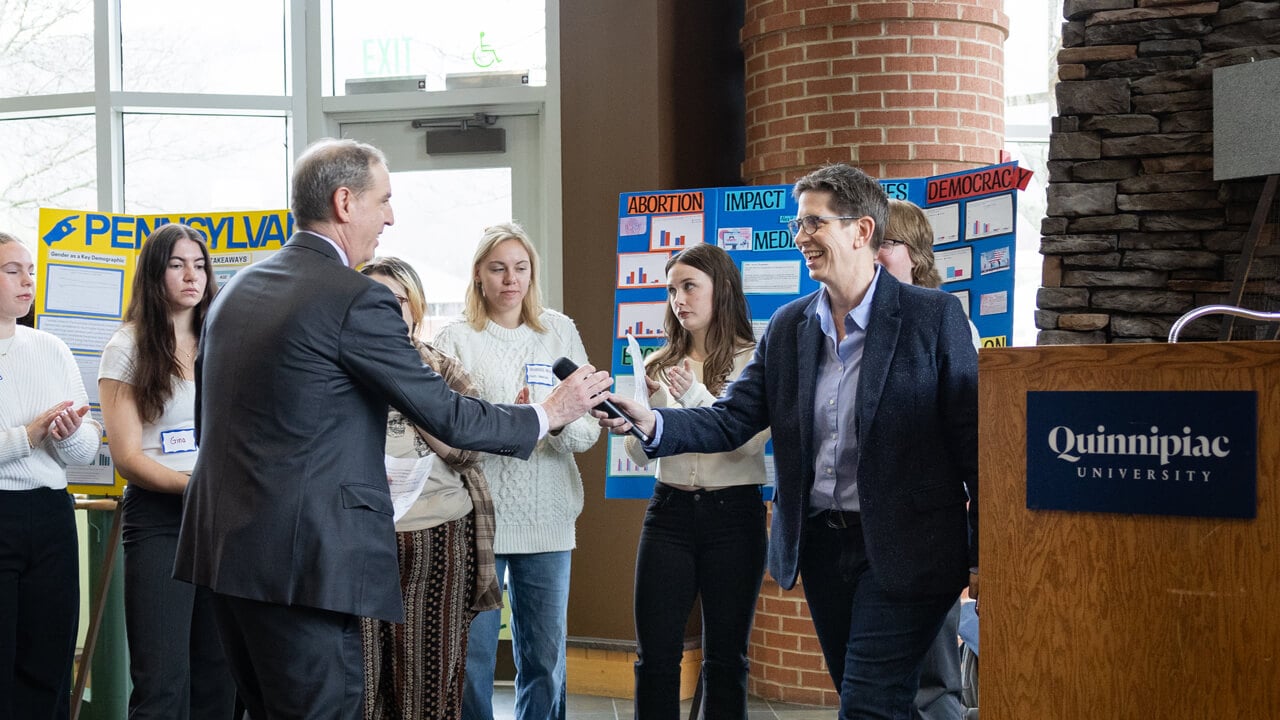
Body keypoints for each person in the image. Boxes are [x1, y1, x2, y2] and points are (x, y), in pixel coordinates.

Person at [173, 138, 611, 720]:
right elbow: (446, 413)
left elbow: (211, 425)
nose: (391, 217)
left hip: (225, 556)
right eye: (384, 200)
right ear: (345, 201)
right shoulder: (354, 300)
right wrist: (547, 413)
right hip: (307, 567)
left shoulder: (235, 291)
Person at [596, 164, 979, 720]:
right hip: (824, 550)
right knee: (868, 695)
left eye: (812, 224)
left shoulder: (934, 317)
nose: (800, 237)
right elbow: (731, 421)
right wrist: (652, 424)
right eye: (797, 225)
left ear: (861, 231)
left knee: (868, 704)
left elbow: (972, 441)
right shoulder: (789, 326)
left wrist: (981, 548)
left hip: (904, 548)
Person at [433, 222, 601, 720]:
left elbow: (588, 432)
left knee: (545, 662)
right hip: (478, 524)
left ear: (533, 274)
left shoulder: (559, 331)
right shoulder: (455, 338)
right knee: (472, 663)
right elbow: (446, 436)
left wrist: (549, 421)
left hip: (548, 521)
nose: (511, 279)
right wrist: (517, 420)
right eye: (498, 268)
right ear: (479, 276)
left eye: (521, 268)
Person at [622, 243, 770, 719]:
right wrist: (639, 417)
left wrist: (697, 398)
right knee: (656, 658)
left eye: (689, 286)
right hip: (670, 514)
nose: (678, 299)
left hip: (735, 517)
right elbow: (637, 454)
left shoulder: (755, 360)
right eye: (671, 290)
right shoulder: (656, 363)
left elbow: (745, 445)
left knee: (726, 661)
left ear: (721, 289)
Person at [97, 223, 235, 719]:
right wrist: (199, 488)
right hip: (161, 518)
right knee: (162, 681)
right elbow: (129, 457)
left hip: (222, 520)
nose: (190, 275)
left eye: (198, 265)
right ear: (155, 274)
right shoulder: (127, 346)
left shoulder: (224, 339)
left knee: (220, 675)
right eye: (177, 265)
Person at [357, 256, 502, 720]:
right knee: (361, 683)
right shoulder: (337, 369)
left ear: (414, 310)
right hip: (359, 541)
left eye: (396, 300)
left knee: (428, 683)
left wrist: (414, 397)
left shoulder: (441, 369)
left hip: (437, 539)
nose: (386, 309)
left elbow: (469, 448)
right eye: (372, 300)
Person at [880, 199, 982, 720]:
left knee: (934, 685)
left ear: (915, 255)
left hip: (927, 538)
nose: (874, 256)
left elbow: (971, 442)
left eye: (886, 244)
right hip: (870, 543)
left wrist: (978, 548)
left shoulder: (945, 319)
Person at [0, 232, 102, 720]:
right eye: (11, 271)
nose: (27, 281)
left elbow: (81, 450)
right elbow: (28, 439)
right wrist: (28, 435)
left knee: (49, 664)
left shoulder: (51, 347)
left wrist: (68, 432)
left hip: (51, 515)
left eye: (31, 270)